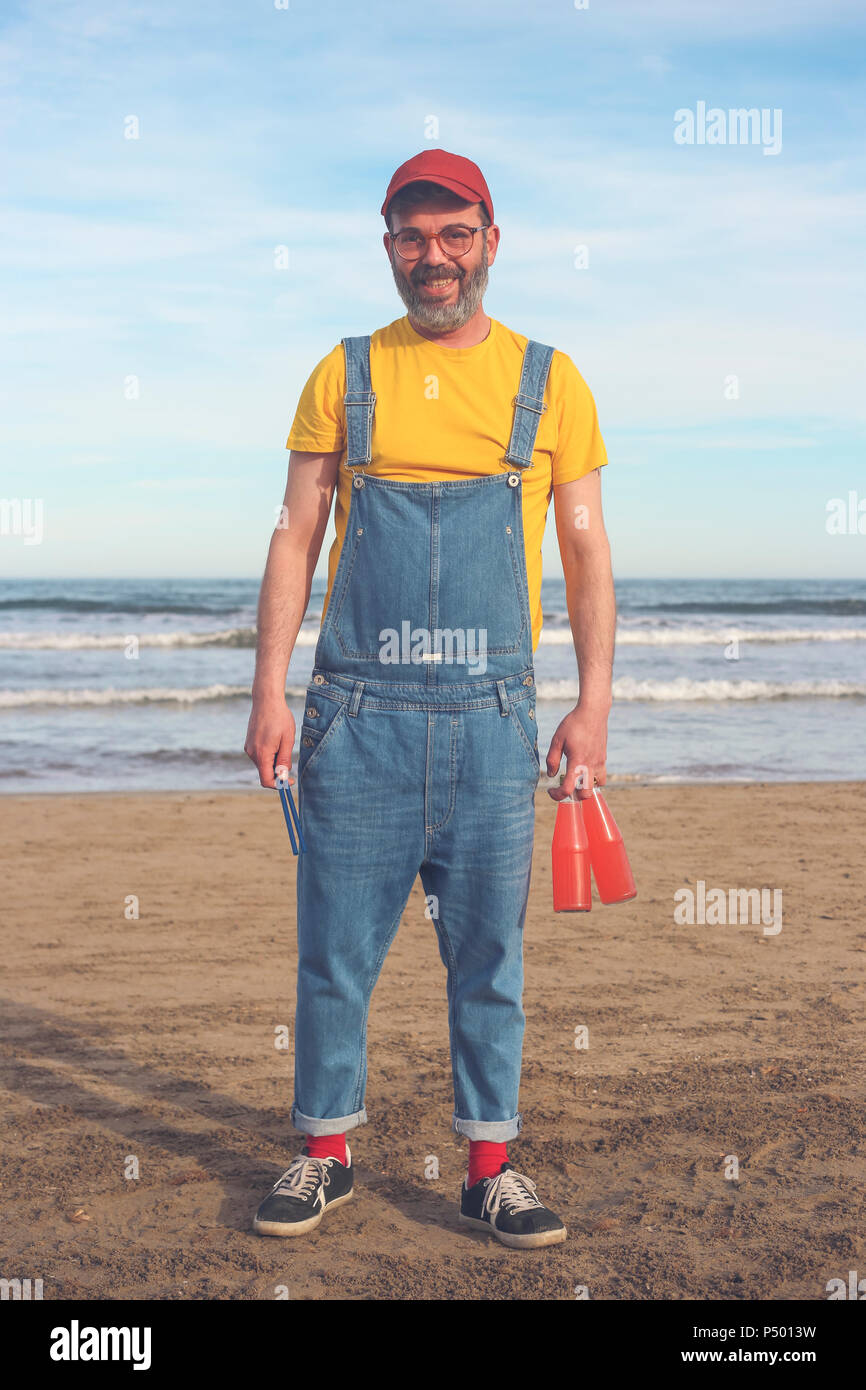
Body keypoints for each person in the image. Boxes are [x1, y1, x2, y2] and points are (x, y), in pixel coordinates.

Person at [244, 149, 615, 1249]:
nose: (434, 256)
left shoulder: (550, 381)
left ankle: (489, 1166)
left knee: (488, 954)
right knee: (333, 948)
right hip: (355, 716)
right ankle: (324, 1154)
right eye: (412, 235)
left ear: (490, 241)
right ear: (388, 245)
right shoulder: (343, 373)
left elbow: (586, 556)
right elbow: (294, 538)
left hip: (496, 721)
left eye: (455, 233)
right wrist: (268, 690)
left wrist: (590, 703)